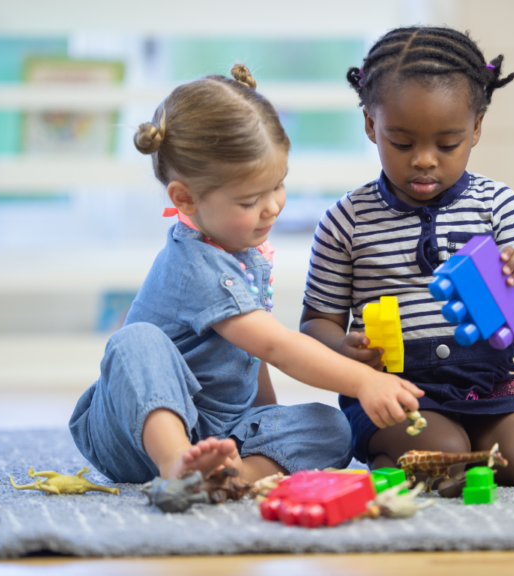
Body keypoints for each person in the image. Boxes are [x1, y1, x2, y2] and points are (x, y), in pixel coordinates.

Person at [69, 65, 423, 485]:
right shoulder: (195, 264)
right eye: (251, 199)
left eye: (279, 185)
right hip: (133, 432)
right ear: (185, 197)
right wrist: (364, 380)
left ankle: (234, 475)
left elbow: (252, 356)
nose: (273, 206)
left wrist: (266, 424)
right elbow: (277, 346)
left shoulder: (242, 253)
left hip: (218, 431)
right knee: (135, 340)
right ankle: (177, 465)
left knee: (333, 427)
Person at [300, 28, 514, 488]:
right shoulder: (347, 219)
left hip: (490, 382)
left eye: (447, 144)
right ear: (369, 124)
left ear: (476, 128)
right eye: (401, 143)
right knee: (445, 457)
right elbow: (315, 324)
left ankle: (466, 447)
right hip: (394, 391)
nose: (424, 160)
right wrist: (345, 351)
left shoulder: (498, 205)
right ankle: (405, 452)